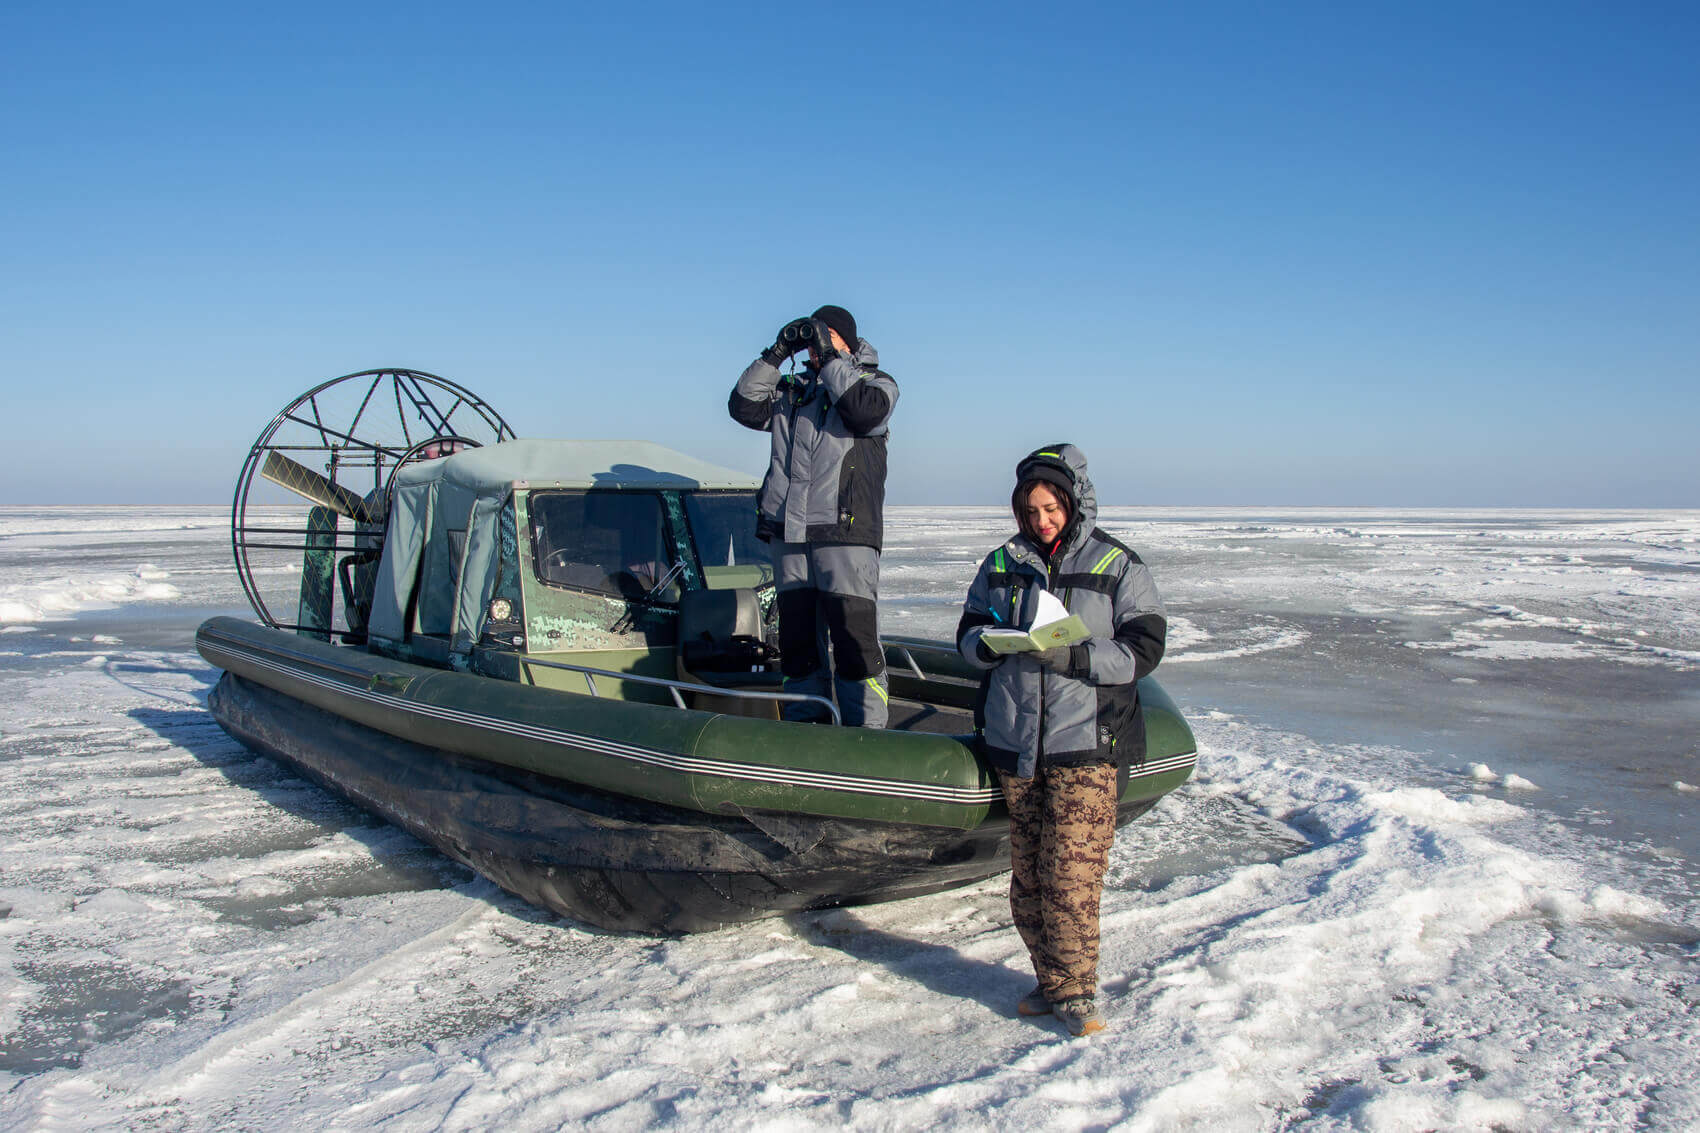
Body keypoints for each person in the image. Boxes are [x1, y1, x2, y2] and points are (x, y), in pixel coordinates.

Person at [956, 444, 1167, 1036]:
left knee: (1072, 875)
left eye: (1050, 508)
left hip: (1087, 743)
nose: (1040, 521)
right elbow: (968, 633)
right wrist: (989, 644)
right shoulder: (1000, 563)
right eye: (1030, 511)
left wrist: (1074, 655)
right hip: (1018, 742)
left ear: (1072, 503)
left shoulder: (1118, 565)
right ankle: (1050, 981)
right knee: (1028, 878)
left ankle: (1076, 994)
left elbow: (1143, 651)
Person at [728, 305, 899, 728]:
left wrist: (832, 359)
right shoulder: (793, 391)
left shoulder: (875, 384)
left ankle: (867, 737)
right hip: (791, 531)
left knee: (854, 641)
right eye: (812, 337)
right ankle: (808, 734)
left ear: (848, 341)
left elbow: (864, 413)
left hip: (846, 532)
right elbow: (743, 406)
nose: (816, 344)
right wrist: (775, 353)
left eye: (828, 335)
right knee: (799, 643)